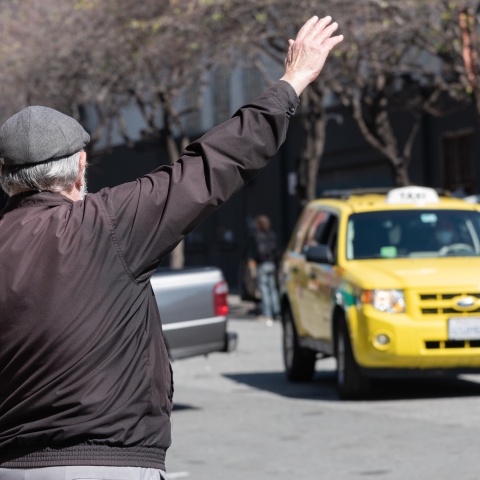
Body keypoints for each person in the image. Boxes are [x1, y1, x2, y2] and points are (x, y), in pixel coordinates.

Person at [0, 16, 343, 480]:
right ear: (81, 168)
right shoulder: (108, 223)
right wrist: (292, 80)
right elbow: (215, 163)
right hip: (111, 464)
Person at [248, 215, 280, 320]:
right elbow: (276, 251)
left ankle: (267, 314)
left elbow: (253, 252)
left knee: (264, 290)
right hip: (272, 264)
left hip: (262, 265)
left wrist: (252, 262)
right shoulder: (272, 235)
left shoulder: (256, 236)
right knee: (273, 289)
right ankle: (277, 312)